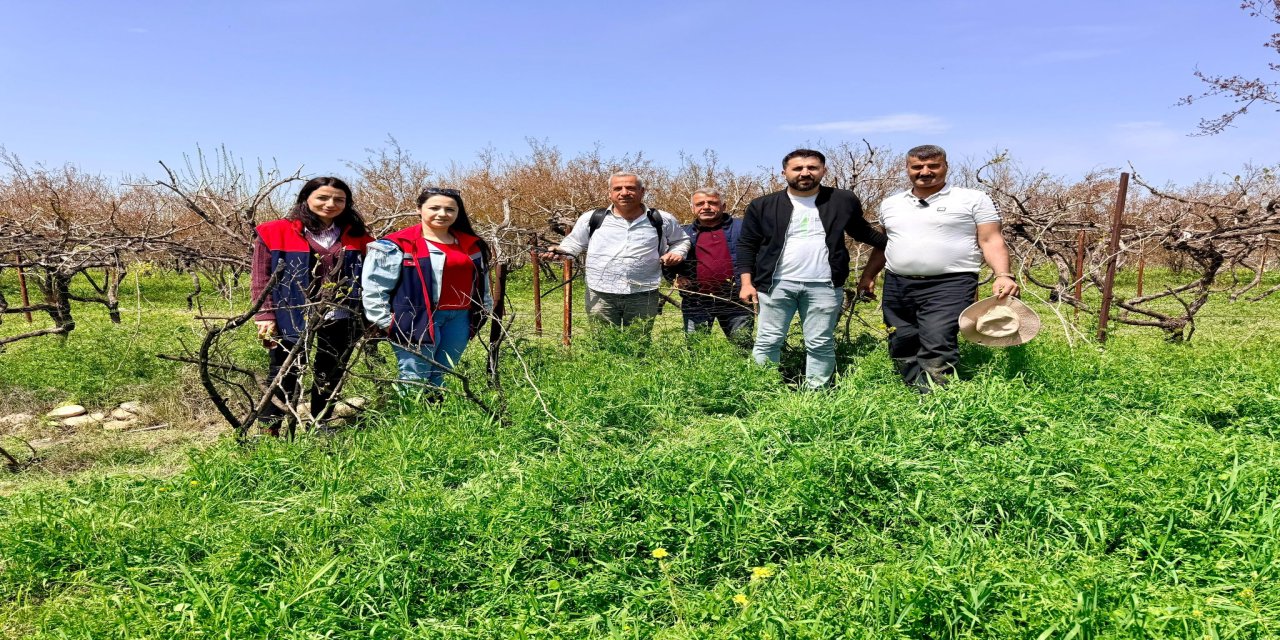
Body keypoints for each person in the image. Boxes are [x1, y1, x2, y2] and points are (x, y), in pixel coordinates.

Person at [857, 144, 1019, 391]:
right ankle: (913, 389)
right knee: (901, 338)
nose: (925, 172)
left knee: (938, 337)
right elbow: (884, 244)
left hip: (951, 283)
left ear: (946, 167)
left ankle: (937, 395)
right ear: (907, 168)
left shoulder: (973, 199)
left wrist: (1003, 275)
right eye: (917, 167)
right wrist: (868, 275)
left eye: (933, 166)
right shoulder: (891, 203)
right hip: (898, 282)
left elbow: (991, 240)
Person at [737, 149, 887, 389]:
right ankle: (762, 388)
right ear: (784, 173)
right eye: (797, 168)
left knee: (820, 342)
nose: (805, 173)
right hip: (776, 284)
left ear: (823, 171)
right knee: (768, 340)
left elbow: (862, 232)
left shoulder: (842, 200)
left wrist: (900, 242)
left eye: (812, 168)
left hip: (825, 285)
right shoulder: (762, 205)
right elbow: (747, 245)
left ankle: (817, 391)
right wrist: (746, 283)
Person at [251, 176, 372, 435]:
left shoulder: (357, 236)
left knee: (331, 371)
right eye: (322, 197)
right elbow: (261, 277)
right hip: (290, 313)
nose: (330, 204)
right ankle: (269, 430)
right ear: (306, 198)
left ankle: (320, 423)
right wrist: (265, 314)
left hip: (342, 313)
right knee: (284, 371)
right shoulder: (275, 231)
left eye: (339, 199)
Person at [361, 187, 492, 398]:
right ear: (419, 209)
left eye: (450, 209)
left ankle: (436, 413)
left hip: (459, 317)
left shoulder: (470, 244)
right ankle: (410, 414)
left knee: (444, 372)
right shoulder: (397, 244)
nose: (442, 214)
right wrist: (386, 322)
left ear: (458, 212)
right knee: (414, 375)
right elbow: (375, 287)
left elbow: (482, 281)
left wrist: (485, 308)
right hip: (416, 317)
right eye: (434, 208)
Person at [543, 171, 690, 333]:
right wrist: (560, 251)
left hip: (643, 293)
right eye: (618, 188)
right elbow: (574, 243)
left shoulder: (661, 219)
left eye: (630, 188)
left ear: (642, 191)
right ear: (610, 193)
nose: (624, 193)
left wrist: (677, 253)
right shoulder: (592, 218)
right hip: (600, 293)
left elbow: (681, 240)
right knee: (603, 340)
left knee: (639, 340)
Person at [666, 188, 753, 342]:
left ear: (723, 206)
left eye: (712, 203)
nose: (706, 207)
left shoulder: (743, 228)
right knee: (697, 346)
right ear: (692, 208)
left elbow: (760, 255)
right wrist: (675, 278)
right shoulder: (683, 234)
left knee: (742, 343)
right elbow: (667, 260)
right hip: (697, 300)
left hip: (736, 299)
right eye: (700, 204)